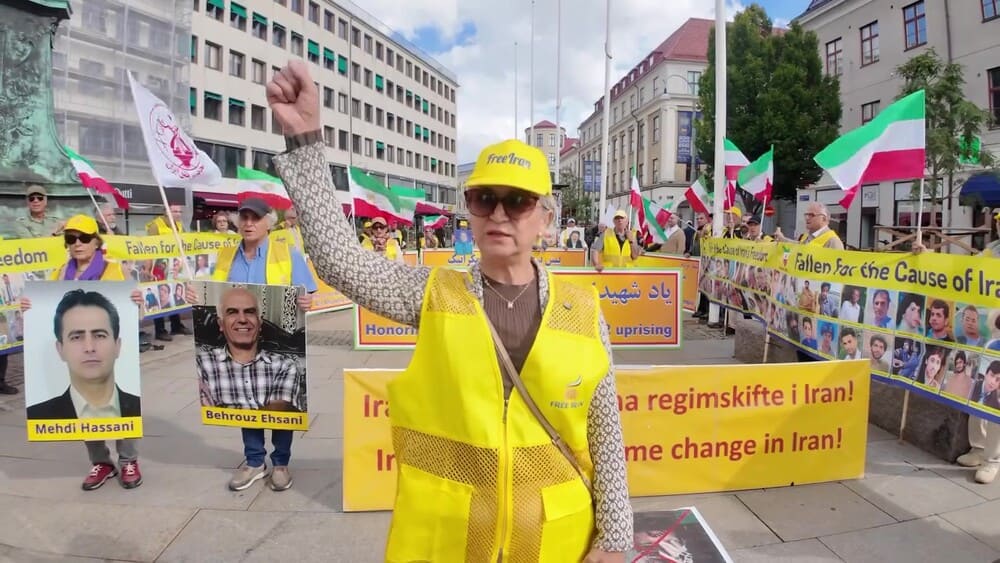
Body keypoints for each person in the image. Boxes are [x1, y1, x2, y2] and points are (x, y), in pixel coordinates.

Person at [267, 59, 632, 562]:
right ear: (470, 212)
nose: (499, 213)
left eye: (518, 201)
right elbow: (339, 260)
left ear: (546, 219)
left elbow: (605, 433)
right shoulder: (434, 293)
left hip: (556, 542)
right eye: (484, 199)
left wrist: (615, 539)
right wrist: (306, 142)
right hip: (447, 540)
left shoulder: (583, 310)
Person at [23, 289, 144, 490]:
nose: (89, 347)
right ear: (60, 349)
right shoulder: (41, 413)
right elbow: (41, 301)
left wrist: (136, 306)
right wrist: (30, 310)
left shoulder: (115, 269)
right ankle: (101, 462)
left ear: (117, 345)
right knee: (84, 413)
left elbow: (132, 315)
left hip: (128, 402)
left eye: (99, 335)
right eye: (76, 337)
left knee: (130, 414)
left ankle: (128, 461)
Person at [196, 287, 304, 492]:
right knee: (248, 406)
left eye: (249, 312)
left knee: (280, 413)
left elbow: (280, 408)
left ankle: (280, 464)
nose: (242, 319)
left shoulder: (284, 364)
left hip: (276, 403)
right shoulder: (205, 364)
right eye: (232, 312)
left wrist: (307, 301)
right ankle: (255, 463)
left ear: (260, 322)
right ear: (221, 324)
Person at [212, 197, 319, 296]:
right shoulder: (223, 254)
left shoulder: (290, 254)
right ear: (238, 223)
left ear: (268, 223)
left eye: (256, 218)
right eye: (244, 218)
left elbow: (306, 294)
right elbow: (212, 293)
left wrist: (306, 301)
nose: (248, 223)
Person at [145, 204, 191, 341]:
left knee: (174, 295)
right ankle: (160, 330)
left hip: (175, 267)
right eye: (174, 211)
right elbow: (148, 247)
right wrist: (147, 268)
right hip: (159, 267)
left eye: (179, 211)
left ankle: (176, 326)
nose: (178, 214)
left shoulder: (179, 225)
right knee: (159, 296)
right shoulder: (156, 225)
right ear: (166, 212)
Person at [776, 202, 845, 250]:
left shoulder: (833, 241)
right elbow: (799, 247)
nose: (807, 218)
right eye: (806, 215)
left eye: (811, 215)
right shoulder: (806, 236)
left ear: (824, 218)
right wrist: (782, 239)